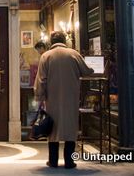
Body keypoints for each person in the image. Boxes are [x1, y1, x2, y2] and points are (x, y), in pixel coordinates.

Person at [34, 31, 94, 169]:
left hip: (52, 98)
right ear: (64, 41)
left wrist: (39, 96)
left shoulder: (46, 56)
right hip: (71, 97)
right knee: (70, 128)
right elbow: (86, 71)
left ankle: (53, 161)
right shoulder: (73, 54)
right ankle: (69, 161)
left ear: (51, 42)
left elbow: (41, 79)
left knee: (53, 129)